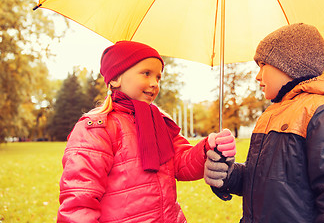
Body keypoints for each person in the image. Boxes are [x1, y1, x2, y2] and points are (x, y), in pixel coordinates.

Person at [204, 23, 324, 222]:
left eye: (262, 65)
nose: (257, 76)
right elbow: (267, 184)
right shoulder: (273, 114)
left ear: (288, 64)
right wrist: (229, 174)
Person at [57, 41, 236, 223]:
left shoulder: (160, 123)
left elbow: (181, 163)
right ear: (115, 78)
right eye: (146, 73)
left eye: (158, 77)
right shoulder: (98, 128)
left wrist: (207, 148)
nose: (154, 83)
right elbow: (79, 199)